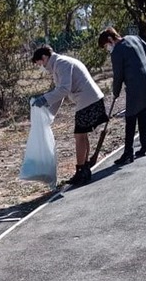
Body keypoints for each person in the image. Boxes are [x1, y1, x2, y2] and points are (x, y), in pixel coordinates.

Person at [31, 45, 108, 185]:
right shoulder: (58, 65)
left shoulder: (61, 64)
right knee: (82, 135)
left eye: (39, 64)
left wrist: (44, 99)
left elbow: (64, 90)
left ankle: (80, 171)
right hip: (89, 100)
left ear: (44, 57)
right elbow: (60, 93)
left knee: (79, 136)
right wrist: (50, 115)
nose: (41, 67)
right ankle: (84, 169)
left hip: (88, 100)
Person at [98, 27, 146, 166]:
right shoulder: (134, 38)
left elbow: (118, 75)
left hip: (135, 85)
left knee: (130, 118)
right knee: (142, 114)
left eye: (106, 46)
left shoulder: (117, 51)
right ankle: (145, 146)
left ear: (110, 39)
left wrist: (115, 92)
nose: (107, 49)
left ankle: (128, 153)